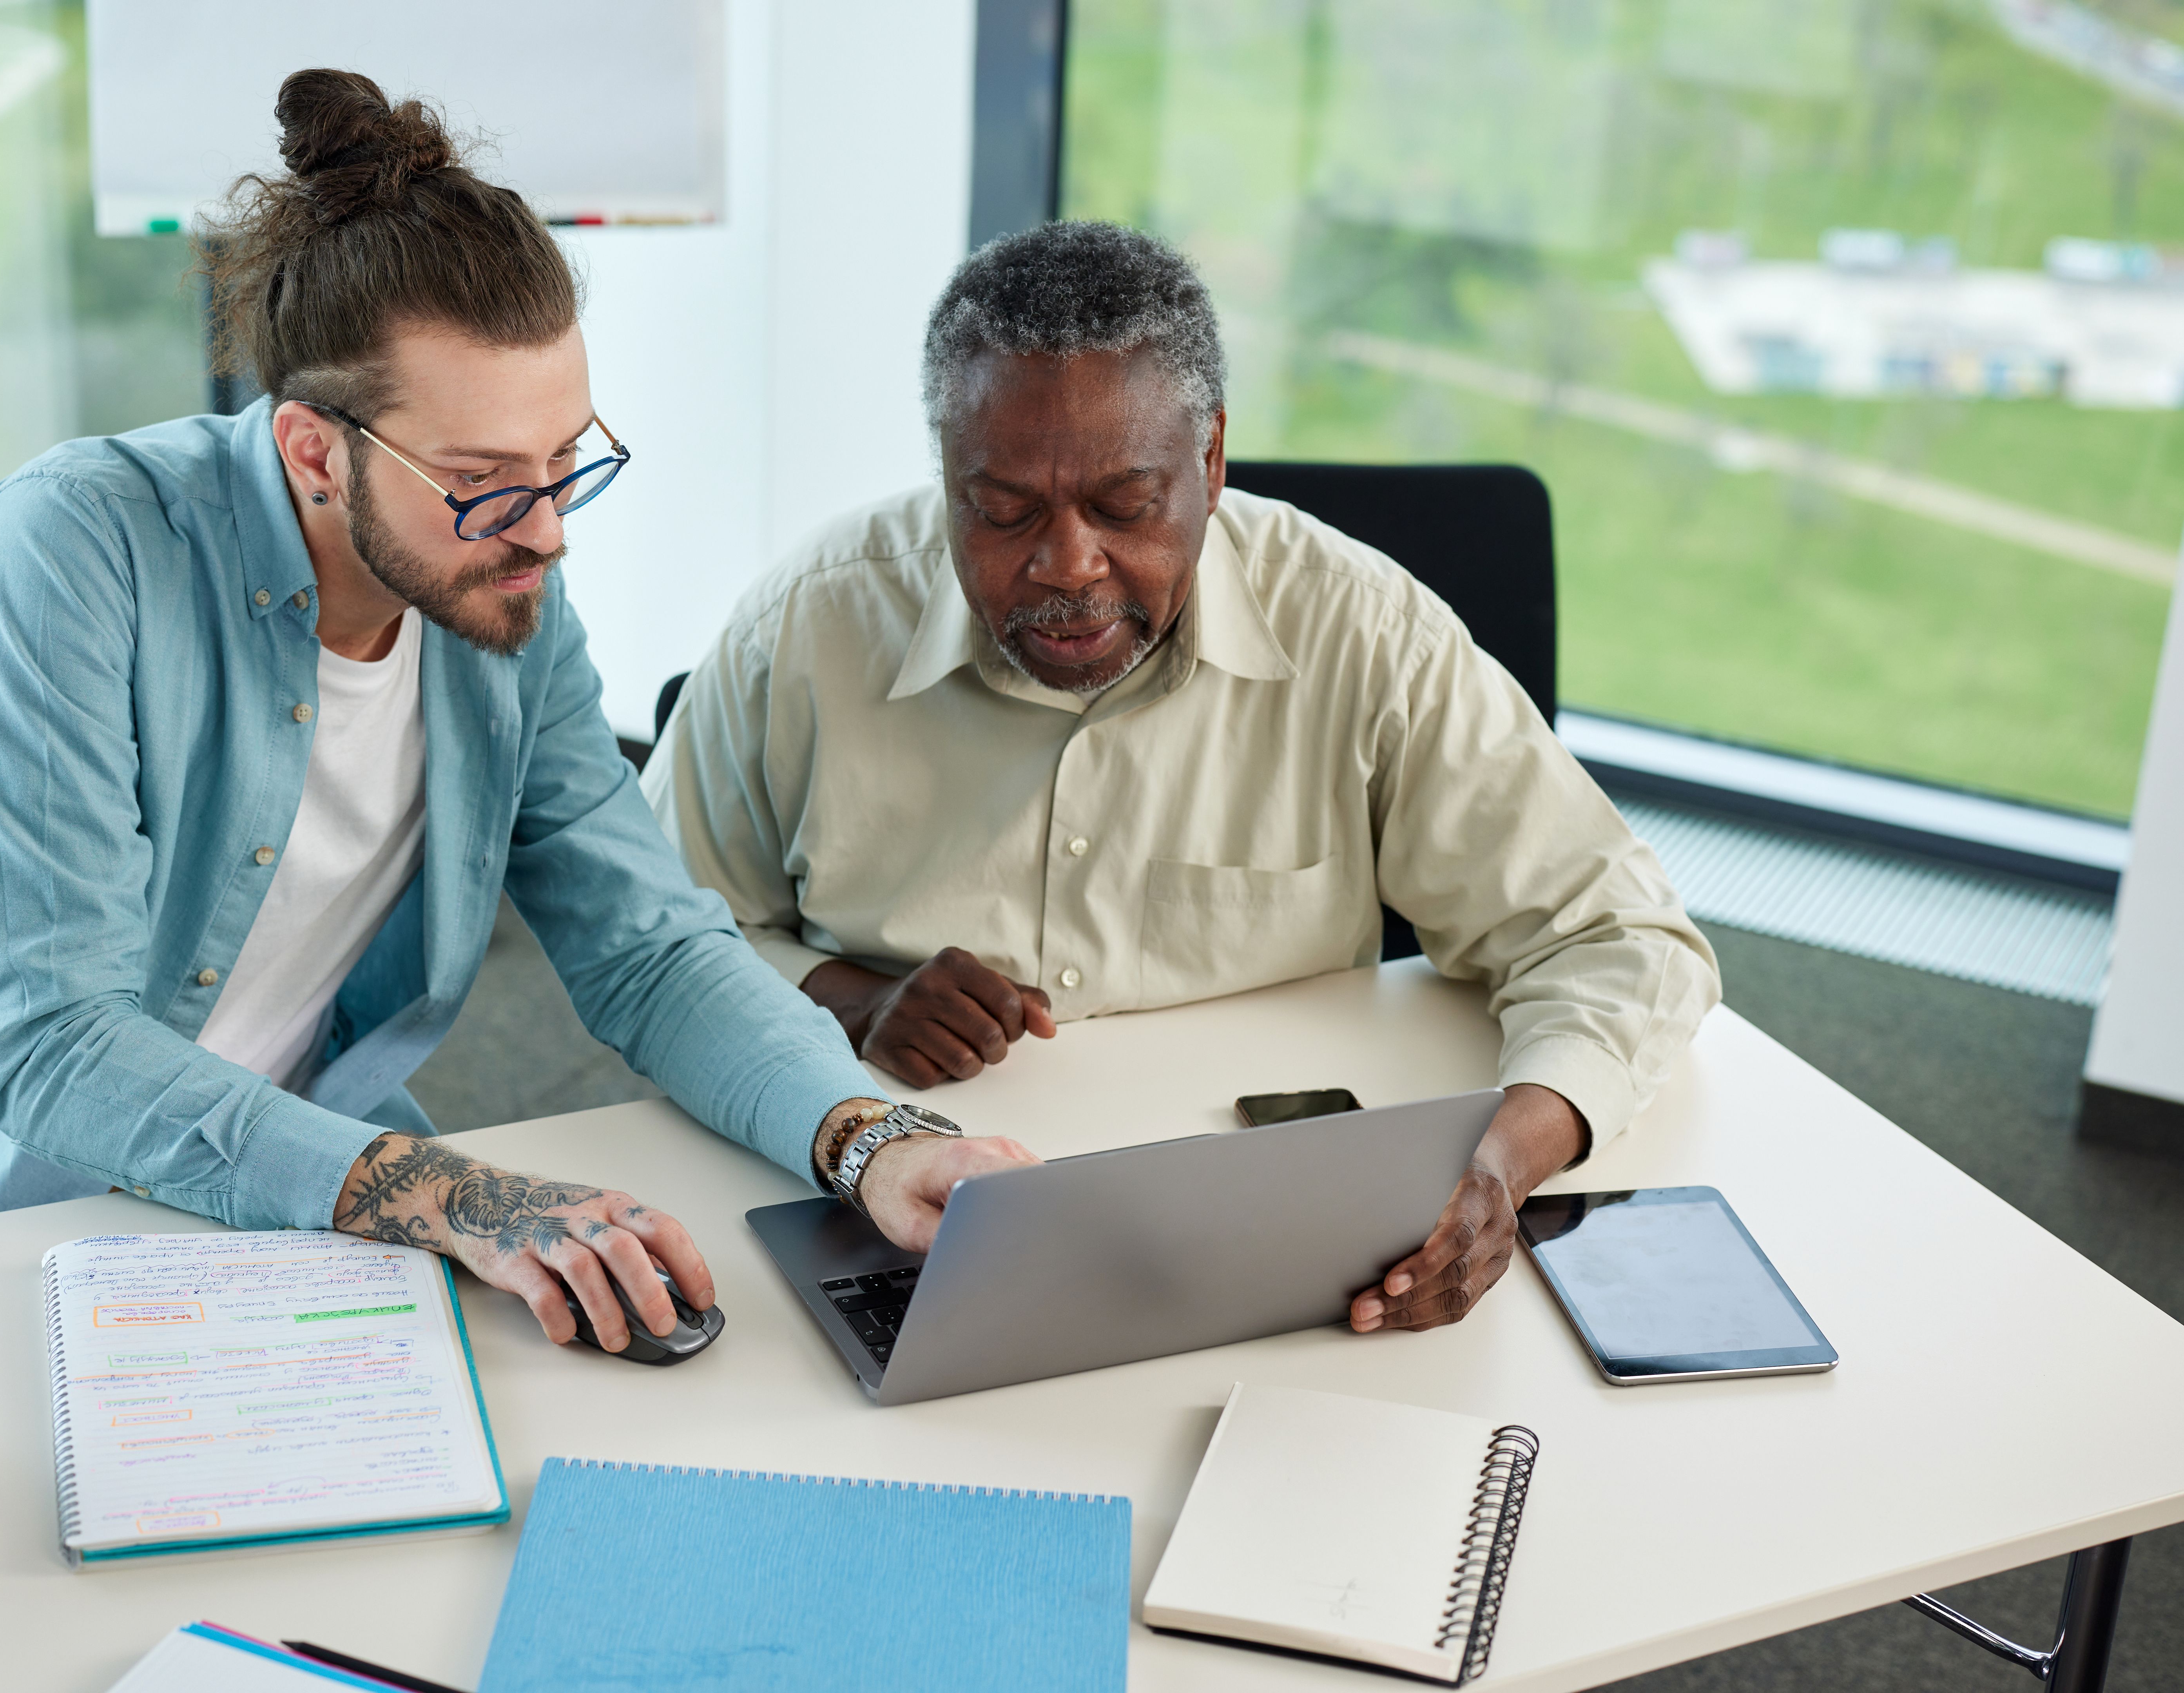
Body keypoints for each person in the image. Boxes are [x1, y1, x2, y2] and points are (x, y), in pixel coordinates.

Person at [0, 70, 1027, 1352]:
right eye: (485, 480)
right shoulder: (67, 555)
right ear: (314, 453)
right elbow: (59, 1046)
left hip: (293, 1200)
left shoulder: (496, 588)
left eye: (566, 462)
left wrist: (872, 1140)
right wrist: (458, 1197)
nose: (548, 532)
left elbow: (648, 947)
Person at [645, 221, 1722, 1336]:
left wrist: (1498, 1169)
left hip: (1286, 1246)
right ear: (947, 475)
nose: (1067, 566)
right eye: (1004, 509)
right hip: (897, 1201)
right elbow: (659, 951)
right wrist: (853, 1002)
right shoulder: (806, 627)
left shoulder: (1362, 629)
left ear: (1210, 461)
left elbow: (1616, 941)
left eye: (1123, 505)